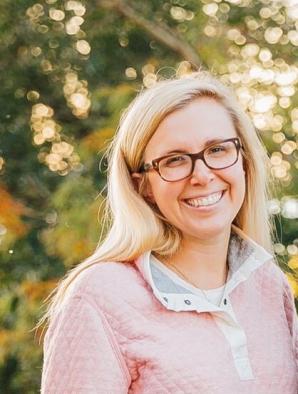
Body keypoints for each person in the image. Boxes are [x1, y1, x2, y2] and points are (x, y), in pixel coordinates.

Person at [40, 71, 297, 393]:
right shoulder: (99, 297)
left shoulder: (268, 284)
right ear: (143, 185)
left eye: (217, 150)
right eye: (175, 160)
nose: (202, 175)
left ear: (243, 160)